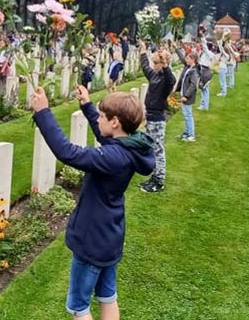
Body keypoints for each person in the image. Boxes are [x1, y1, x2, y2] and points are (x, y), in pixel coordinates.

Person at [30, 84, 154, 320]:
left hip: (91, 239)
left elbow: (68, 152)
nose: (98, 119)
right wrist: (87, 105)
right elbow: (105, 137)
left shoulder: (113, 158)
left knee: (79, 306)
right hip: (109, 236)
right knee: (108, 296)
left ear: (115, 122)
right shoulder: (128, 148)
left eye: (102, 116)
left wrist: (43, 112)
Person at [138, 42, 175, 192]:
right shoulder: (154, 75)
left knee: (158, 149)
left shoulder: (166, 80)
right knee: (152, 148)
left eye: (157, 63)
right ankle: (154, 176)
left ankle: (159, 180)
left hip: (158, 118)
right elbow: (146, 67)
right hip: (150, 115)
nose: (154, 66)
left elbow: (171, 79)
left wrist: (165, 64)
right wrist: (143, 51)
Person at [176, 51, 200, 142]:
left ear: (193, 60)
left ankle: (191, 135)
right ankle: (186, 132)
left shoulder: (194, 71)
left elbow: (193, 85)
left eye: (188, 58)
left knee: (188, 115)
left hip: (188, 97)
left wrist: (186, 95)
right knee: (186, 115)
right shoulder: (189, 68)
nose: (186, 60)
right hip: (183, 94)